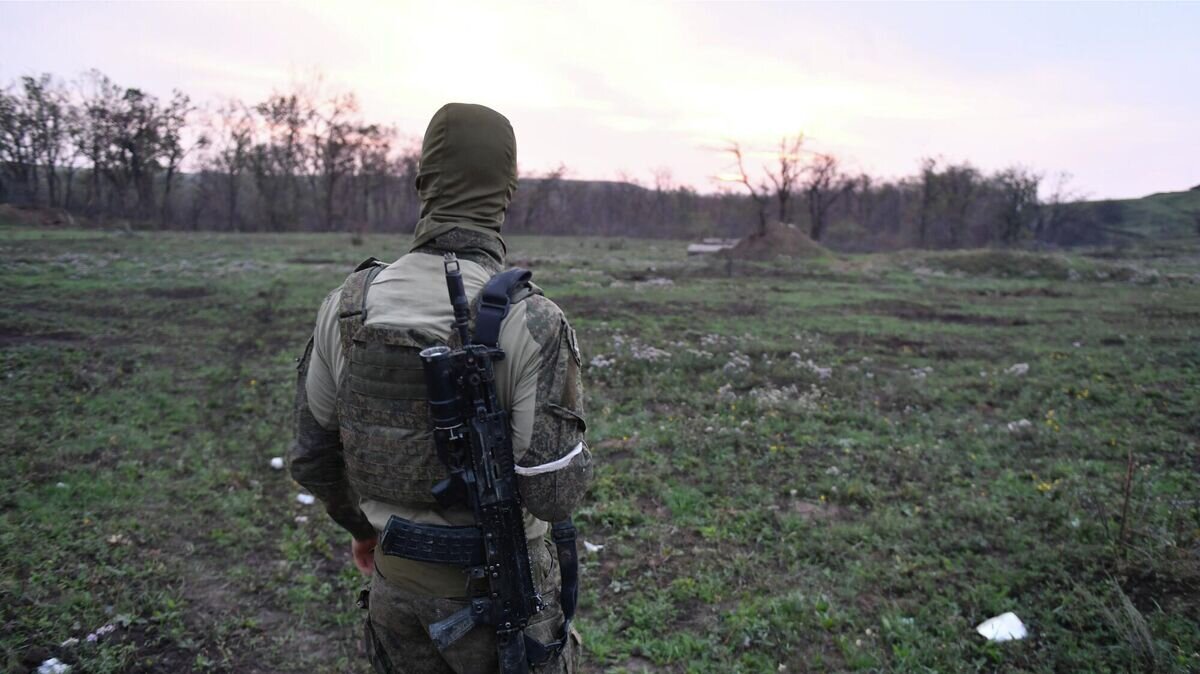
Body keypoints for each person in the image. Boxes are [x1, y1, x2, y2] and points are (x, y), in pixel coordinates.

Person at [289, 103, 593, 673]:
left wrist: (364, 531)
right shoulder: (533, 320)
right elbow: (554, 496)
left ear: (421, 185)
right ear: (507, 194)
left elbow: (312, 457)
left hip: (395, 596)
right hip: (507, 603)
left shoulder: (347, 306)